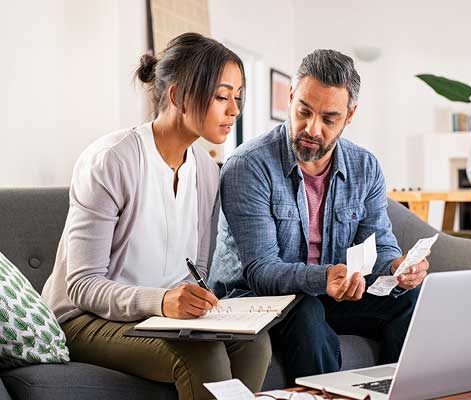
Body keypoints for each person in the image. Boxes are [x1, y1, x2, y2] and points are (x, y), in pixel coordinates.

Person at [41, 33, 271, 400]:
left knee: (254, 344)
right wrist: (162, 301)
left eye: (238, 98)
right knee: (203, 354)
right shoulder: (111, 160)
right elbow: (82, 286)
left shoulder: (208, 171)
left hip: (159, 320)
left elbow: (196, 269)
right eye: (222, 96)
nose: (234, 110)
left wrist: (200, 304)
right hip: (85, 320)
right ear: (178, 96)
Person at [209, 49, 429, 385]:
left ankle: (393, 392)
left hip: (328, 292)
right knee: (308, 311)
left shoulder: (365, 167)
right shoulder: (249, 165)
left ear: (349, 115)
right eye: (304, 111)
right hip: (255, 299)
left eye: (328, 119)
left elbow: (380, 242)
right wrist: (324, 277)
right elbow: (260, 271)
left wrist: (396, 268)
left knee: (409, 300)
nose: (312, 128)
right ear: (291, 97)